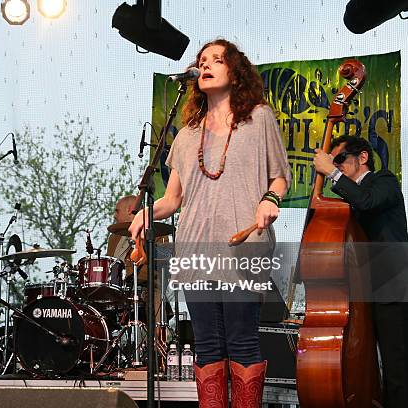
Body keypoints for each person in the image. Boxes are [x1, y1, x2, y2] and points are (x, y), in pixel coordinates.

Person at [129, 39, 290, 407]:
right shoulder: (186, 136)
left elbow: (280, 178)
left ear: (236, 73)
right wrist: (144, 213)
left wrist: (270, 199)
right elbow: (172, 199)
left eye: (217, 60)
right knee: (207, 344)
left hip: (242, 248)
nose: (206, 65)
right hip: (195, 248)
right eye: (202, 61)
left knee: (242, 340)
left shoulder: (259, 118)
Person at [313, 135, 408, 408]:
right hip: (362, 294)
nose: (336, 165)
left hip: (392, 289)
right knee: (368, 370)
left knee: (397, 367)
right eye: (334, 162)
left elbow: (368, 201)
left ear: (363, 157)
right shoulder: (347, 202)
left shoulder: (385, 181)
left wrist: (330, 172)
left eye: (340, 159)